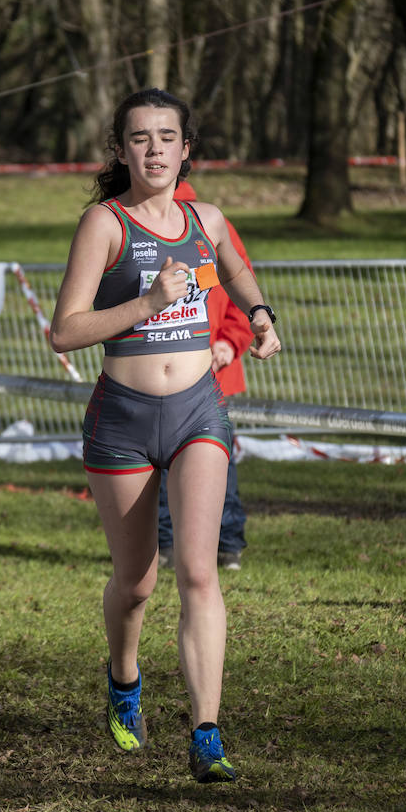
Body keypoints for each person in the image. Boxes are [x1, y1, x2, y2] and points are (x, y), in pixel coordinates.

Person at [48, 88, 280, 780]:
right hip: (121, 420)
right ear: (121, 151)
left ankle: (206, 733)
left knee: (199, 572)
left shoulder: (205, 217)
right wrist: (149, 302)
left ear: (187, 149)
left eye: (166, 137)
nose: (154, 149)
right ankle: (124, 680)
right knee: (138, 580)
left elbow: (236, 269)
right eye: (140, 138)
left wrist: (260, 316)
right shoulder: (105, 224)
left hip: (197, 415)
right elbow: (65, 329)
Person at [158, 180, 254, 571]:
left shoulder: (208, 222)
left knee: (217, 461)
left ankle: (227, 541)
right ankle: (164, 542)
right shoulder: (124, 221)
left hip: (211, 372)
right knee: (159, 460)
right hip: (154, 374)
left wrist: (229, 343)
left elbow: (241, 288)